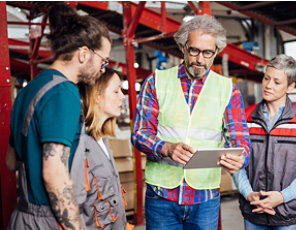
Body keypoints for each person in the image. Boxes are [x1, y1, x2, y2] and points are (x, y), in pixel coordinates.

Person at [132, 15, 251, 229]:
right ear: (183, 47)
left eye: (208, 53)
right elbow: (140, 132)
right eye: (194, 50)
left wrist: (241, 158)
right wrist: (165, 147)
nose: (200, 59)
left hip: (204, 197)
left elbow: (241, 140)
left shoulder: (228, 90)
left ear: (216, 52)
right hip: (162, 195)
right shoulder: (156, 82)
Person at [6, 4, 111, 229]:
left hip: (22, 216)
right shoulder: (64, 92)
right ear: (83, 53)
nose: (103, 69)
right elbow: (54, 173)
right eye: (104, 61)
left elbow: (11, 161)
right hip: (50, 220)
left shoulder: (29, 90)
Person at [233, 54, 296, 230]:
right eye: (266, 78)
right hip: (254, 212)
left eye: (277, 82)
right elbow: (237, 163)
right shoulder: (245, 117)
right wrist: (249, 194)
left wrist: (281, 197)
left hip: (289, 216)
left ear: (290, 87)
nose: (268, 85)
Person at [71, 68, 127, 229]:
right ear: (97, 96)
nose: (123, 96)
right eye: (116, 91)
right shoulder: (81, 145)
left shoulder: (102, 142)